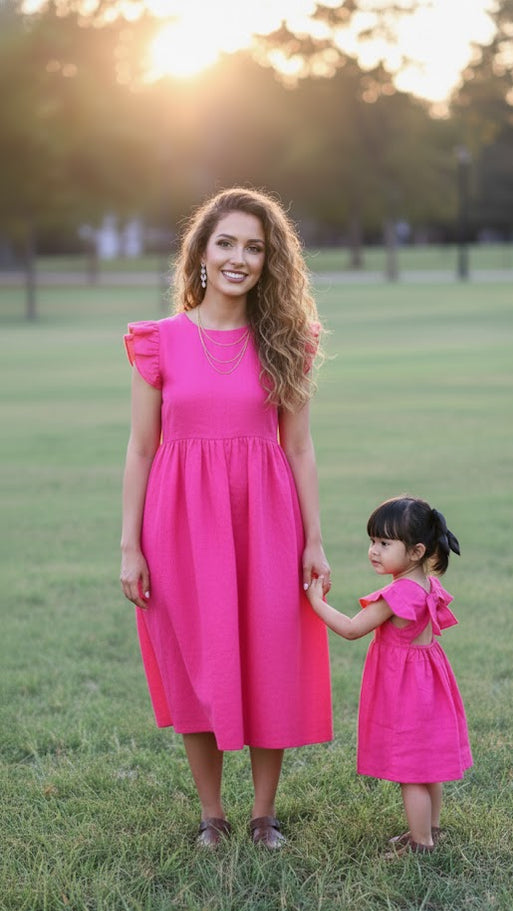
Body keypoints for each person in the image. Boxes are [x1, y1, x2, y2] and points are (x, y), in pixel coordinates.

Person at [120, 187, 332, 849]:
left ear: (269, 262)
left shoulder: (286, 342)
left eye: (254, 248)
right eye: (226, 243)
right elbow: (141, 447)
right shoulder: (158, 342)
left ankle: (263, 814)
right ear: (202, 253)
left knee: (270, 655)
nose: (239, 258)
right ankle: (212, 815)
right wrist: (129, 546)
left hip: (266, 520)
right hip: (179, 525)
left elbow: (298, 447)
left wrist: (314, 540)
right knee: (196, 661)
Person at [306, 495, 472, 856]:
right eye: (372, 541)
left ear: (415, 551)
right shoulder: (427, 585)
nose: (374, 551)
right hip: (428, 684)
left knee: (410, 771)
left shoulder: (398, 594)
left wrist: (317, 602)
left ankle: (420, 842)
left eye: (384, 543)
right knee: (427, 765)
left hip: (405, 689)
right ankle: (431, 829)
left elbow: (352, 629)